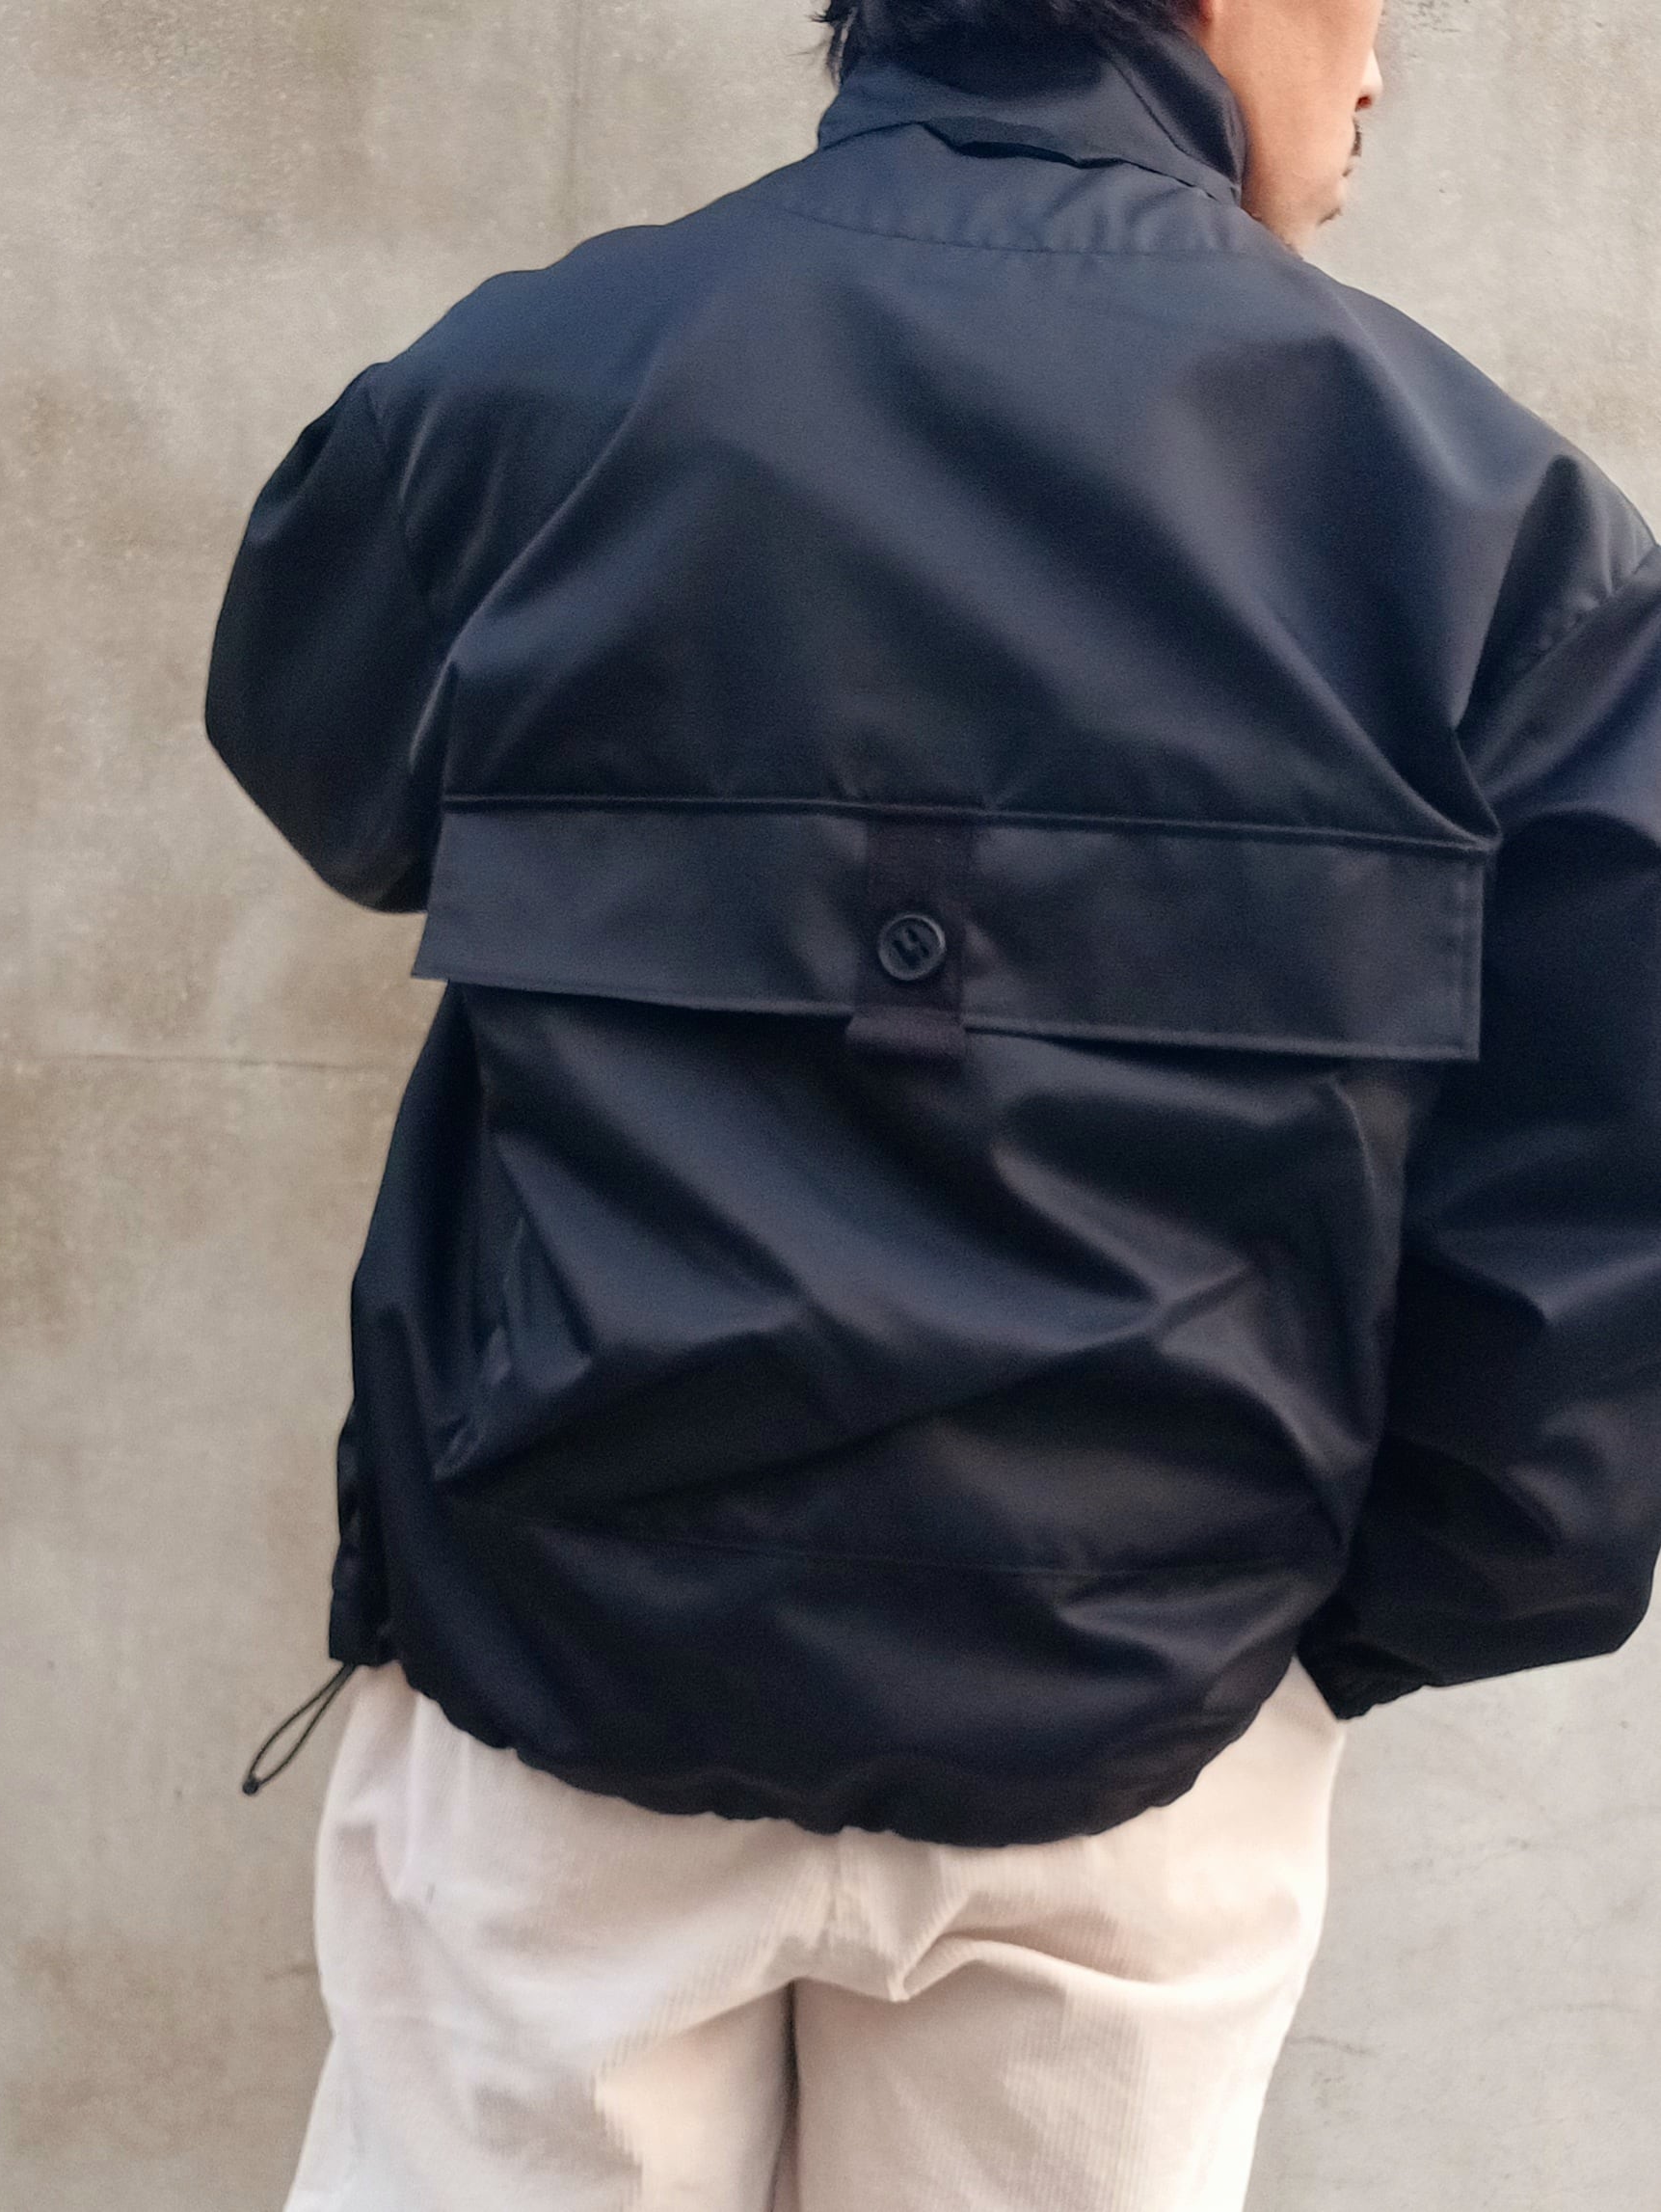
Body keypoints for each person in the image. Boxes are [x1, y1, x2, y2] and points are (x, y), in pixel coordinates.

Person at [203, 0, 1661, 2202]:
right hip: (1143, 1732)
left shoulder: (524, 393)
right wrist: (1343, 1632)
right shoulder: (1498, 533)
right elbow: (1597, 1205)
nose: (1374, 74)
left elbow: (325, 761)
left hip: (567, 1674)